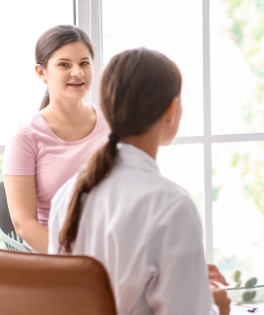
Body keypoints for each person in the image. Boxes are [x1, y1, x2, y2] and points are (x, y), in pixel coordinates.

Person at [47, 48, 231, 315]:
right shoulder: (170, 204)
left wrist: (187, 279)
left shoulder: (67, 194)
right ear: (172, 109)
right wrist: (215, 308)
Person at [2, 25, 109, 252]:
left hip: (110, 248)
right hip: (55, 258)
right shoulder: (24, 136)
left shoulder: (111, 121)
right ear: (41, 73)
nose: (78, 72)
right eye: (64, 64)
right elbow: (23, 223)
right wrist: (75, 261)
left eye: (84, 63)